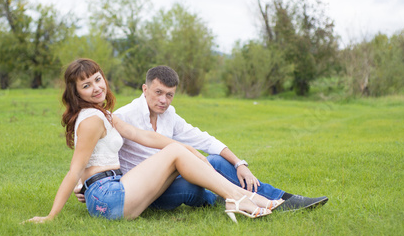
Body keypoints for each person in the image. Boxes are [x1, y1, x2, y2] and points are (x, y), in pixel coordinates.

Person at [26, 58, 284, 224]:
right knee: (176, 153)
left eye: (97, 79)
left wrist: (194, 154)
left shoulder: (105, 115)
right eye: (86, 85)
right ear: (76, 92)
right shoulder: (92, 119)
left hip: (116, 191)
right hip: (107, 197)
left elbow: (145, 137)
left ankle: (241, 196)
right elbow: (75, 169)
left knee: (178, 151)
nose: (96, 88)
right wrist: (51, 216)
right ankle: (240, 198)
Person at [75, 65, 327, 212]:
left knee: (217, 160)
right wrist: (83, 184)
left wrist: (240, 163)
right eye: (158, 92)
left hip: (170, 179)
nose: (163, 100)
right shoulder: (123, 117)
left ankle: (282, 200)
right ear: (145, 89)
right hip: (143, 192)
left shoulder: (169, 116)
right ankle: (232, 197)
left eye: (170, 95)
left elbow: (204, 139)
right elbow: (97, 150)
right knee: (196, 187)